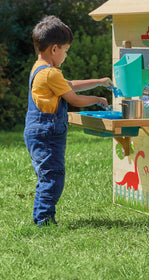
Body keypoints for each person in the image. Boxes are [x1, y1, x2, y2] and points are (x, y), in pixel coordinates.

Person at [24, 15, 112, 227]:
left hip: (39, 131)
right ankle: (44, 222)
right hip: (47, 133)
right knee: (53, 177)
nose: (65, 55)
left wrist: (99, 82)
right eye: (65, 50)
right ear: (55, 49)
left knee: (48, 176)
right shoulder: (51, 73)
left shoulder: (40, 68)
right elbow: (73, 98)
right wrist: (98, 99)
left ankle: (42, 219)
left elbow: (69, 84)